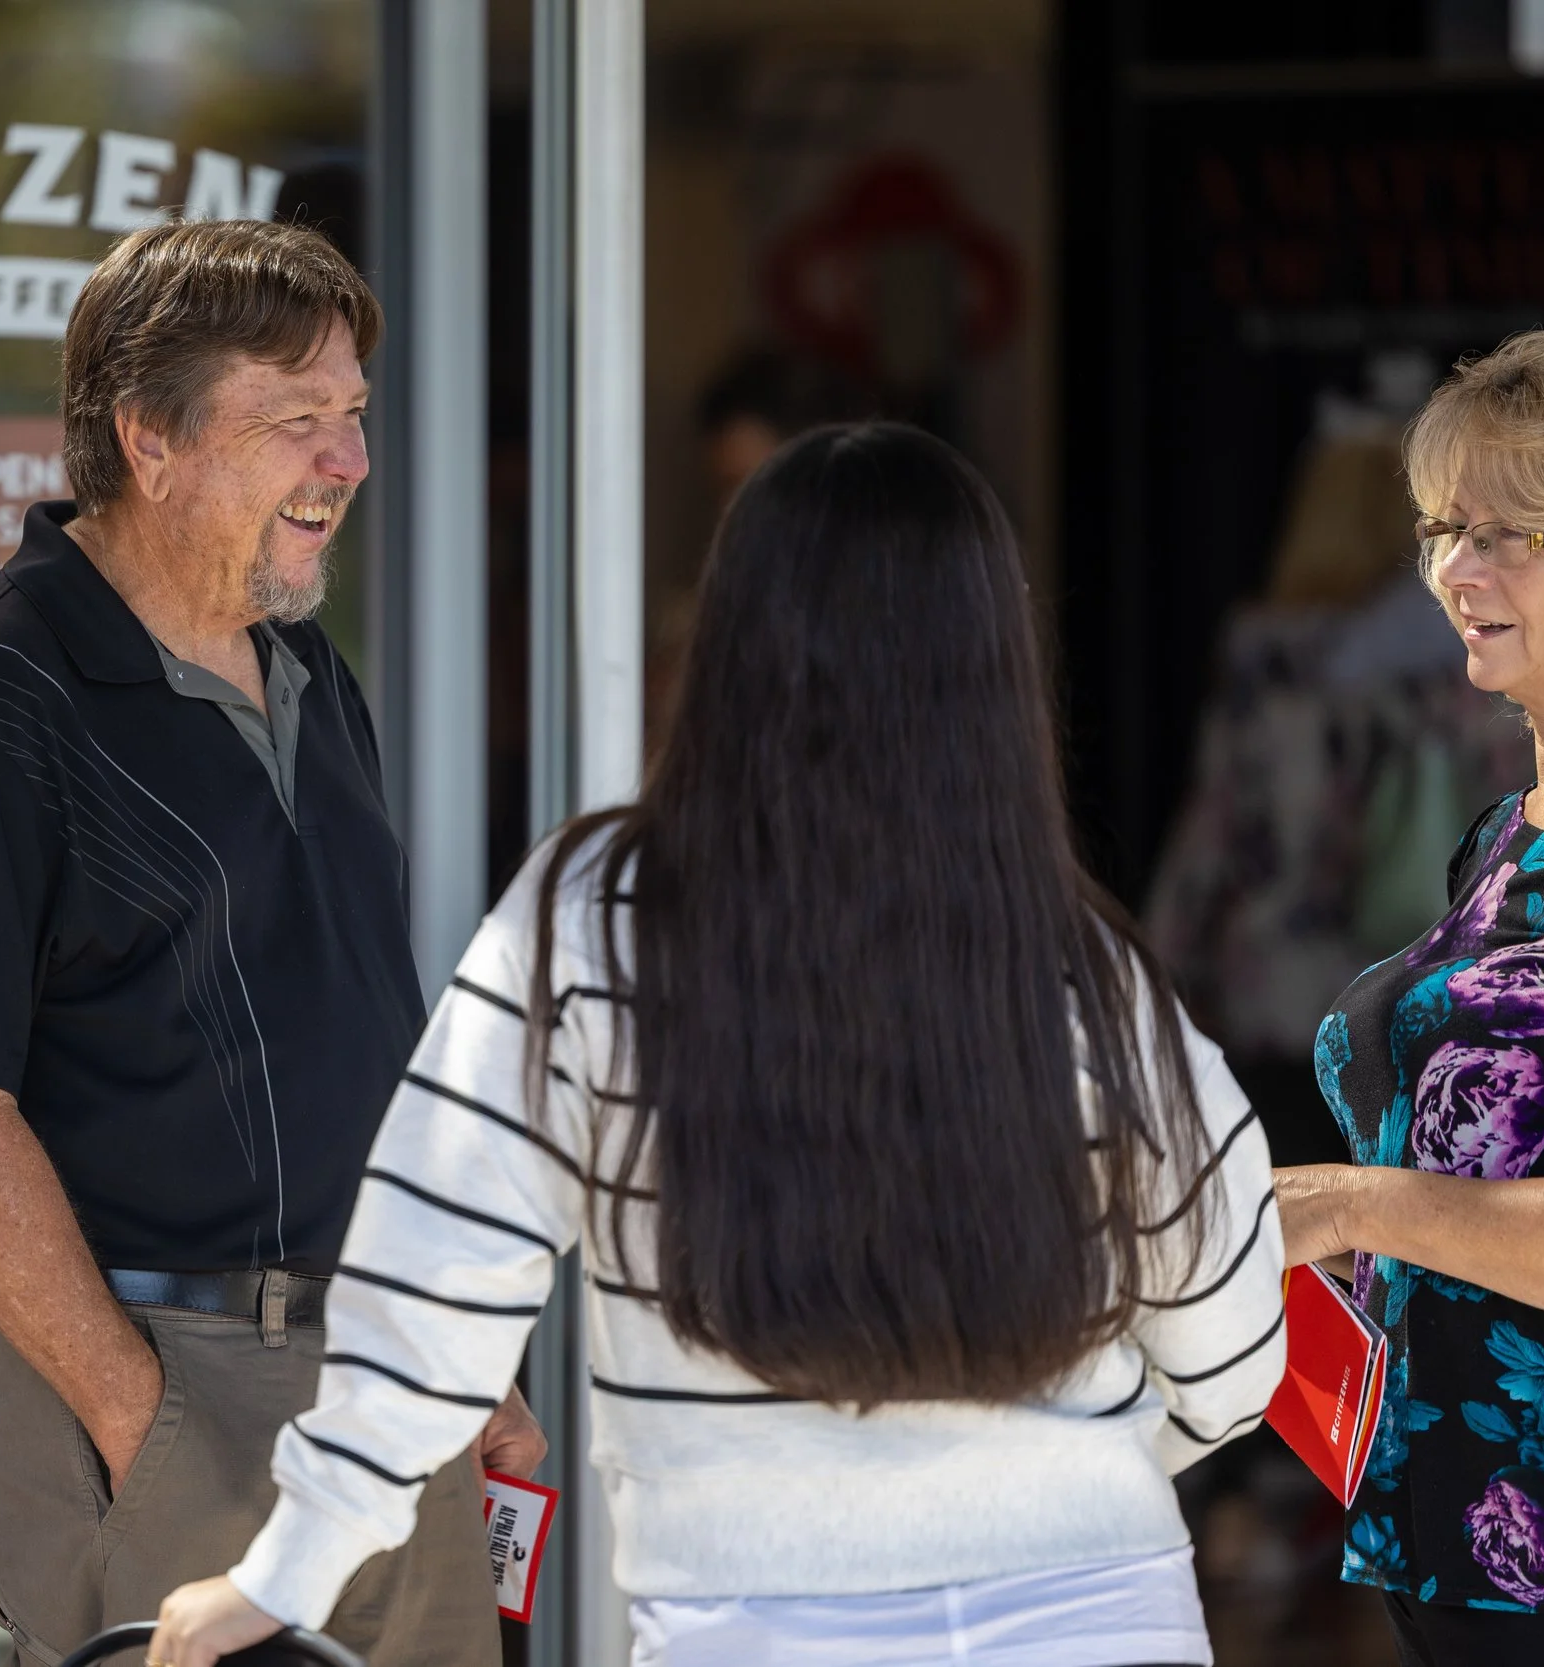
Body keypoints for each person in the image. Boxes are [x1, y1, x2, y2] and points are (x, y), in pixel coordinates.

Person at [153, 422, 1288, 1667]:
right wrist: (1084, 1459)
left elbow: (436, 1280)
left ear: (733, 643)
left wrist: (290, 1568)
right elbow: (1232, 1354)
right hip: (1097, 1611)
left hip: (755, 1624)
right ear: (995, 663)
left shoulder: (594, 917)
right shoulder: (1086, 966)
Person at [0, 218, 536, 1667]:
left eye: (353, 416)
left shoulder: (307, 668)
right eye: (296, 422)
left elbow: (362, 1033)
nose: (350, 462)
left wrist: (460, 1355)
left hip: (384, 1389)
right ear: (149, 437)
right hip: (168, 1385)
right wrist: (142, 1421)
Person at [1274, 330, 1544, 1665]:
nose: (1456, 569)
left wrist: (1352, 1201)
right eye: (1446, 524)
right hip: (1470, 1547)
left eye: (1517, 533)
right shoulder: (1515, 826)